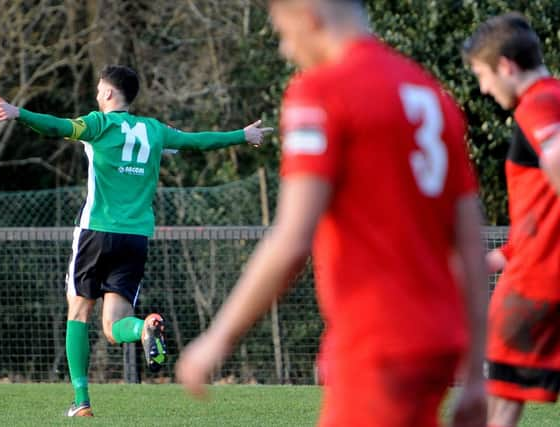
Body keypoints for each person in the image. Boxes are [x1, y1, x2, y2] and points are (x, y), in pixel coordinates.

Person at [176, 1, 488, 426]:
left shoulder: (322, 91)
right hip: (437, 340)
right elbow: (469, 241)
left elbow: (291, 240)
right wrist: (474, 374)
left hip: (377, 343)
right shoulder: (431, 94)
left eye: (284, 33)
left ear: (311, 17)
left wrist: (217, 338)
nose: (286, 50)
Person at [0, 65, 272, 417]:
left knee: (79, 310)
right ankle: (144, 327)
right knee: (115, 327)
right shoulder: (154, 130)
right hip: (135, 238)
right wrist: (241, 135)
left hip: (97, 231)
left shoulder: (97, 124)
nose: (96, 95)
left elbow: (57, 126)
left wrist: (18, 113)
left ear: (107, 94)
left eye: (99, 90)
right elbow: (197, 141)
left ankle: (82, 400)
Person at [463, 12, 560, 427]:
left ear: (506, 67)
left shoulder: (537, 103)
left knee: (500, 405)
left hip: (536, 288)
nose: (483, 88)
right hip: (534, 266)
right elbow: (540, 218)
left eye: (483, 75)